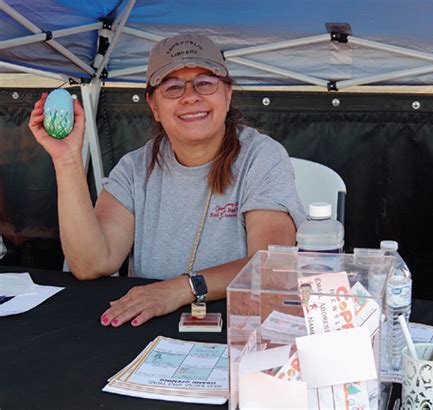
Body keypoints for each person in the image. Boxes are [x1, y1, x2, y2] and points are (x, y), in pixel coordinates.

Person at [29, 33, 305, 327]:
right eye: (173, 87)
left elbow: (269, 264)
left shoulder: (262, 156)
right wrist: (67, 159)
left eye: (205, 82)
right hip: (150, 325)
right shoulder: (134, 168)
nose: (190, 96)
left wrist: (182, 288)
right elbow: (92, 264)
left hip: (238, 325)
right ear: (154, 105)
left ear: (227, 94)